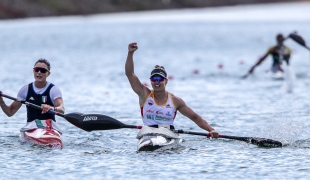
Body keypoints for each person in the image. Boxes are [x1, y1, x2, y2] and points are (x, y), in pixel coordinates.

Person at [125, 42, 218, 138]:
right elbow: (130, 74)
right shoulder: (144, 94)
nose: (157, 82)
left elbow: (195, 117)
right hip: (148, 133)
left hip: (168, 134)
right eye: (154, 79)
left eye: (160, 79)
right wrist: (130, 53)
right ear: (151, 81)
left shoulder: (175, 100)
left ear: (166, 81)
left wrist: (211, 130)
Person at [0, 58, 64, 133]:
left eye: (43, 70)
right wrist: (1, 101)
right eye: (37, 69)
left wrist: (52, 108)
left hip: (49, 127)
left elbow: (62, 109)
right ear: (33, 71)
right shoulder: (25, 90)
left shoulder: (53, 90)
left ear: (48, 74)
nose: (39, 72)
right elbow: (10, 112)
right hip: (31, 127)